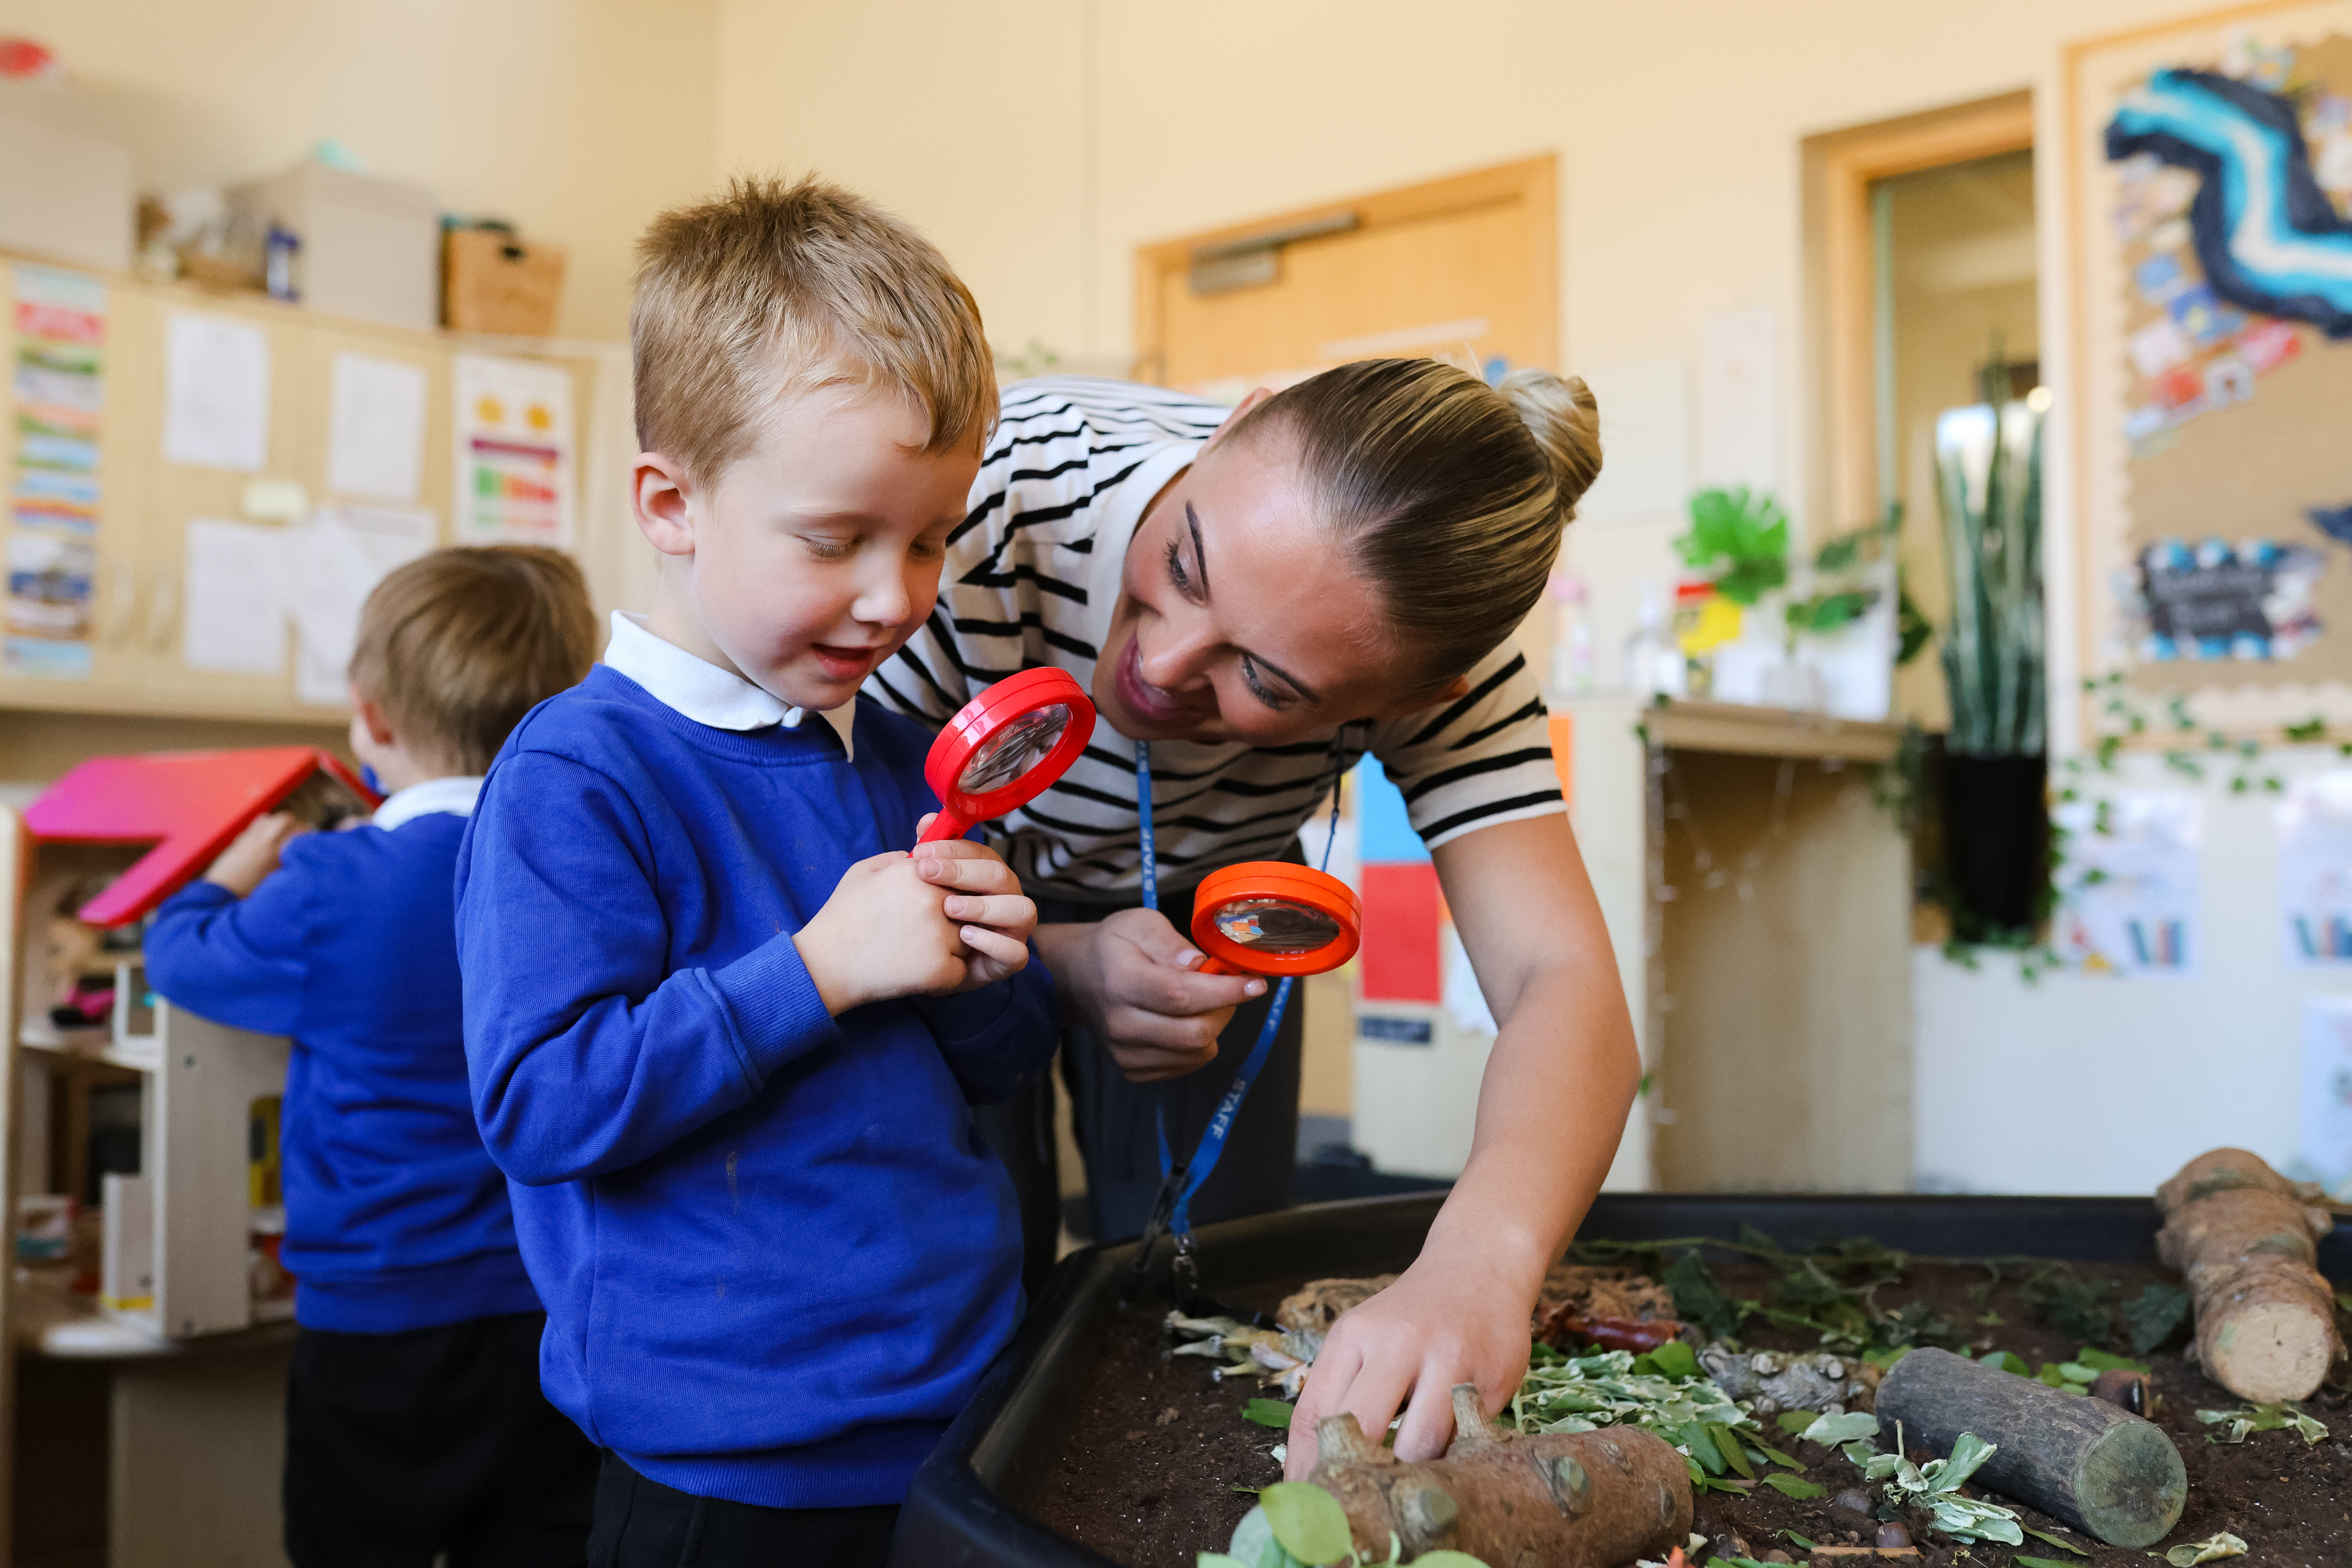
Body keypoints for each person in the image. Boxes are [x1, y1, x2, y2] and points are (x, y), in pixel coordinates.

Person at [864, 362, 1643, 1477]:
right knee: (958, 1282)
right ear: (1233, 421)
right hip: (935, 885)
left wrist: (1480, 1266)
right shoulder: (986, 504)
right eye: (1184, 563)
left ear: (1419, 703)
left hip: (1218, 897)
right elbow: (827, 874)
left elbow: (1562, 980)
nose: (1159, 664)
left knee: (1210, 1294)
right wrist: (1065, 966)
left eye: (1268, 683)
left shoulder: (1445, 657)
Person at [454, 177, 1057, 1568]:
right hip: (724, 1474)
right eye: (835, 540)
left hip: (959, 1420)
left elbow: (1000, 1067)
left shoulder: (907, 761)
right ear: (672, 502)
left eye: (927, 539)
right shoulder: (580, 776)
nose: (896, 597)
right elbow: (542, 1106)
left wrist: (979, 958)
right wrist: (820, 971)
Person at [144, 544, 603, 1568]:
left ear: (374, 717)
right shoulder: (583, 860)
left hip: (381, 1320)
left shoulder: (329, 882)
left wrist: (217, 880)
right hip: (553, 1308)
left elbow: (183, 961)